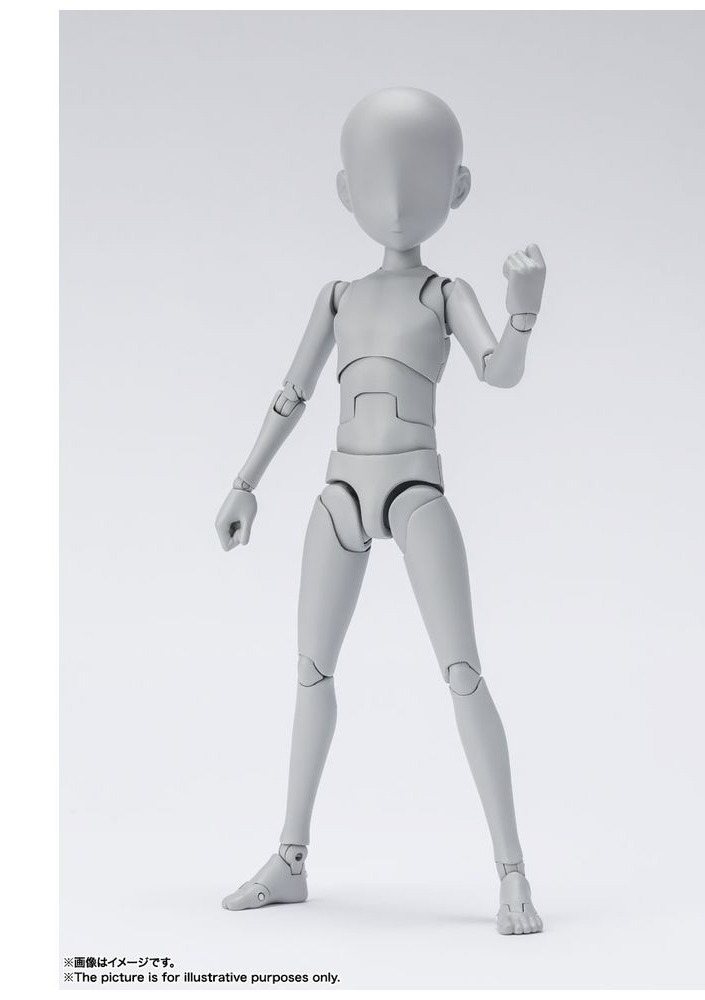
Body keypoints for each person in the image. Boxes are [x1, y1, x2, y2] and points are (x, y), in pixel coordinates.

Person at [215, 87, 546, 935]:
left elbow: (499, 372)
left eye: (421, 177)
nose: (397, 198)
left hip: (414, 490)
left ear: (458, 188)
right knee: (311, 672)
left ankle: (512, 875)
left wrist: (522, 312)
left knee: (462, 673)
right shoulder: (337, 296)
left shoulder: (446, 293)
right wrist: (246, 480)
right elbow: (291, 394)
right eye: (374, 178)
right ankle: (290, 859)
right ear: (345, 189)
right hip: (339, 495)